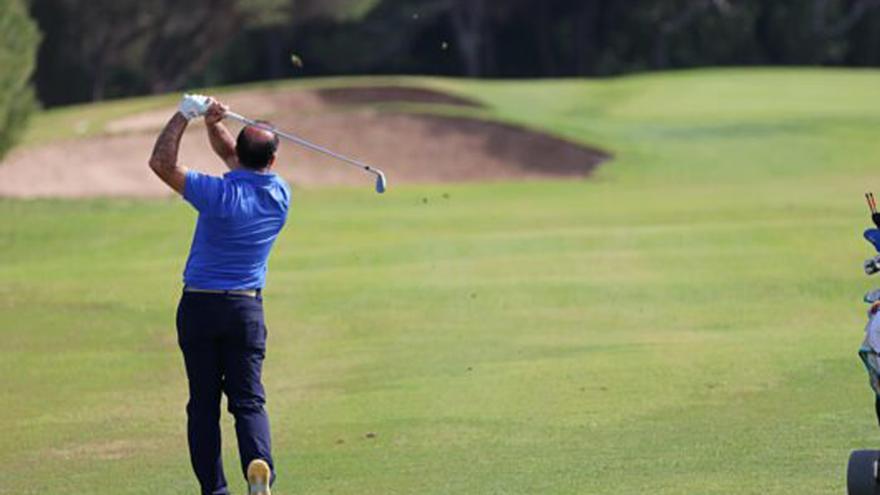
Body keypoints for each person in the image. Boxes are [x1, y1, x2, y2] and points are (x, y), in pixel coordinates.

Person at [148, 94, 290, 495]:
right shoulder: (279, 195)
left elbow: (161, 163)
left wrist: (184, 114)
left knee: (203, 406)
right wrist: (213, 124)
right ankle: (258, 465)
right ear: (272, 162)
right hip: (246, 308)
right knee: (248, 402)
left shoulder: (217, 194)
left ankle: (215, 489)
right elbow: (237, 157)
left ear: (242, 155)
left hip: (200, 307)